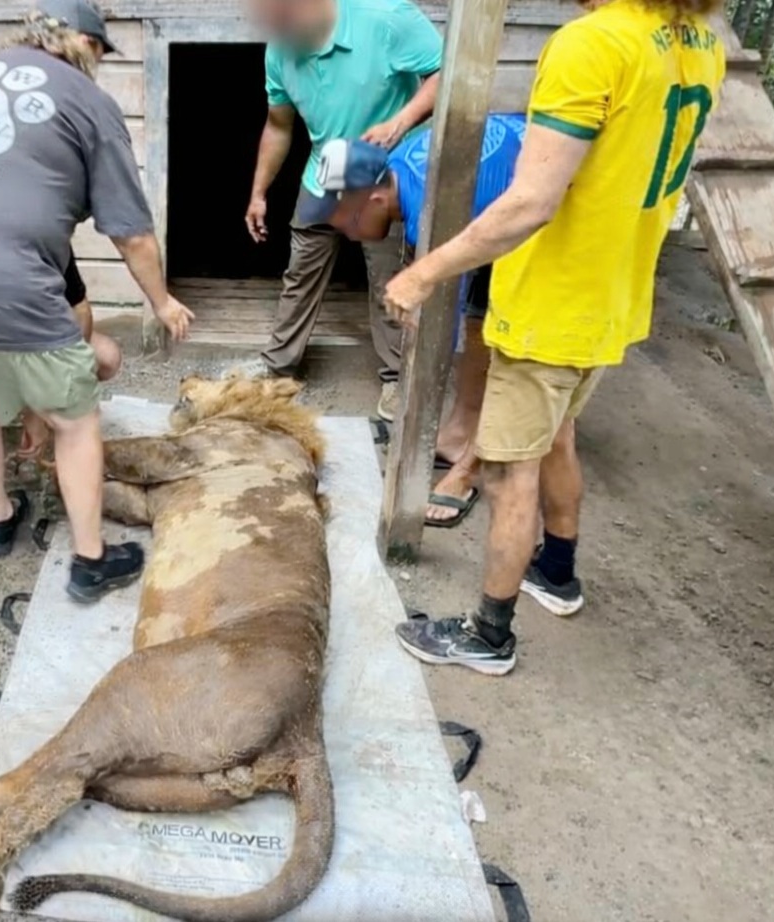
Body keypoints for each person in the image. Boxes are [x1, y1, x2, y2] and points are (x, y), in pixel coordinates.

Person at [383, 0, 726, 674]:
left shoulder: (590, 44)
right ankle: (557, 572)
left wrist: (422, 274)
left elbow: (531, 201)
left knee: (509, 471)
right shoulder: (698, 43)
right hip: (613, 297)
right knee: (557, 436)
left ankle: (489, 636)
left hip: (550, 306)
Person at [0, 0, 194, 603]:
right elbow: (130, 233)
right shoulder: (87, 100)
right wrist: (160, 302)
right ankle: (91, 561)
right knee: (76, 420)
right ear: (85, 46)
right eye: (100, 53)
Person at [300, 114, 528, 529]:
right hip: (499, 191)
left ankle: (470, 470)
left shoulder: (434, 212)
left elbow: (441, 331)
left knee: (511, 348)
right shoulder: (399, 168)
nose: (340, 228)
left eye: (343, 217)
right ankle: (459, 432)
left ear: (374, 200)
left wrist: (419, 308)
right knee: (477, 320)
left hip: (548, 214)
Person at [242, 0, 445, 422]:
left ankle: (396, 378)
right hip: (324, 173)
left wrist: (400, 121)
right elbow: (279, 125)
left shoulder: (385, 18)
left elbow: (447, 73)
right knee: (300, 274)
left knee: (390, 280)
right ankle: (278, 369)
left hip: (383, 177)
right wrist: (259, 192)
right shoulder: (279, 51)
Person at [0, 255, 121, 498]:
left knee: (107, 356)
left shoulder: (45, 240)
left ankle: (45, 410)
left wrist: (41, 407)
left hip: (28, 331)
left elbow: (77, 310)